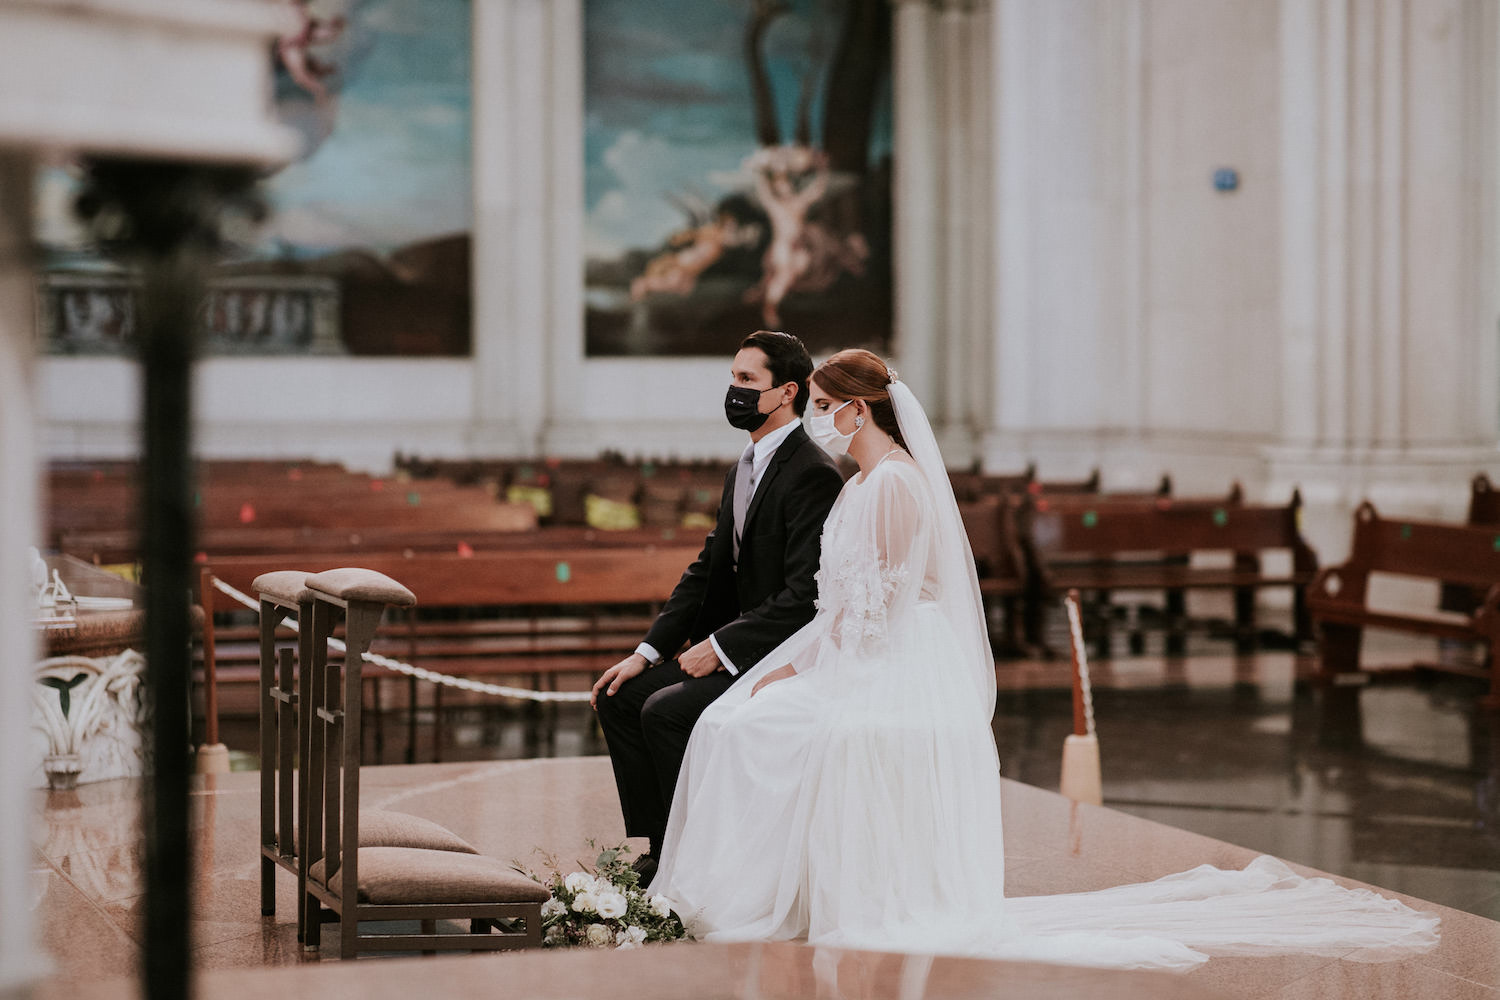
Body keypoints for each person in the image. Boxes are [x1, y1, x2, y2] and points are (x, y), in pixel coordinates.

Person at [651, 348, 1440, 971]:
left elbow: (878, 612)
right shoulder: (858, 485)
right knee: (735, 721)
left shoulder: (893, 486)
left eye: (825, 408)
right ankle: (764, 893)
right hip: (853, 649)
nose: (818, 421)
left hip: (889, 662)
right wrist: (794, 664)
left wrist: (804, 672)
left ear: (859, 409)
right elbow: (839, 607)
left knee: (757, 729)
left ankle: (783, 898)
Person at [591, 331, 844, 886]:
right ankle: (663, 845)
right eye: (732, 378)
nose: (734, 390)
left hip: (776, 652)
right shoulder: (745, 466)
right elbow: (707, 567)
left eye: (747, 380)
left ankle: (699, 854)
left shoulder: (812, 473)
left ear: (786, 393)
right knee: (618, 695)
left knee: (664, 711)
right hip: (731, 643)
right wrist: (647, 651)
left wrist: (722, 648)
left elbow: (805, 594)